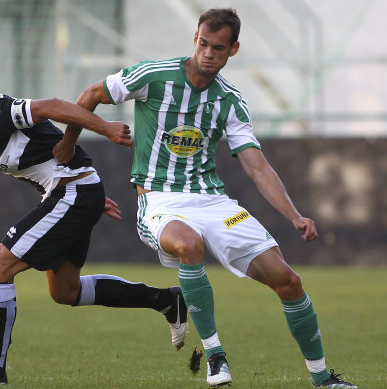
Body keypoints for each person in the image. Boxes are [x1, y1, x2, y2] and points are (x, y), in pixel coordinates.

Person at [54, 8, 357, 389]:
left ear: (233, 49)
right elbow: (89, 95)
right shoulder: (153, 74)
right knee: (188, 244)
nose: (208, 53)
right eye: (202, 44)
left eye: (218, 47)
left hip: (215, 204)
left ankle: (323, 378)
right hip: (161, 200)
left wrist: (294, 215)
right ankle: (215, 356)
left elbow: (257, 166)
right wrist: (67, 144)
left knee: (289, 281)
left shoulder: (229, 100)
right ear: (194, 40)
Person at [0, 63, 188, 385]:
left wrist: (107, 129)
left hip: (72, 192)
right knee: (66, 291)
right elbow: (39, 157)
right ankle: (167, 300)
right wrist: (89, 197)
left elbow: (53, 107)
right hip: (74, 192)